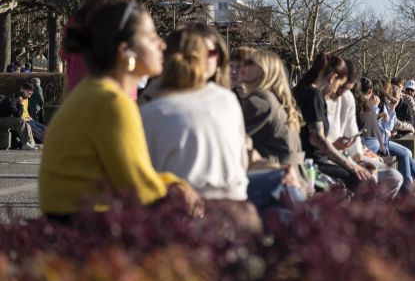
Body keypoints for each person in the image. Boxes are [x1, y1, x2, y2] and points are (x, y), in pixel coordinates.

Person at [38, 2, 203, 218]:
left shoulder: (93, 91)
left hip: (70, 217)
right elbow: (139, 187)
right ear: (126, 51)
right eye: (152, 37)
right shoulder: (112, 102)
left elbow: (131, 174)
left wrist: (171, 183)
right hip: (89, 224)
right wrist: (179, 188)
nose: (162, 45)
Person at [140, 24, 249, 202]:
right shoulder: (227, 100)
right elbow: (242, 164)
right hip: (231, 203)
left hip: (179, 208)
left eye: (212, 53)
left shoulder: (149, 110)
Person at [235, 48, 312, 207]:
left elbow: (230, 142)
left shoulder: (260, 103)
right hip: (295, 179)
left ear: (264, 71)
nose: (241, 66)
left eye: (249, 63)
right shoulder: (277, 101)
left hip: (276, 183)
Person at [292, 52, 372, 190]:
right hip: (312, 165)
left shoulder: (299, 91)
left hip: (302, 161)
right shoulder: (314, 95)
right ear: (333, 78)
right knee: (361, 181)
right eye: (339, 85)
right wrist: (351, 165)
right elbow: (318, 139)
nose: (336, 91)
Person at [327, 61, 402, 197]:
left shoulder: (348, 98)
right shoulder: (320, 99)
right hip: (332, 157)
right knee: (369, 178)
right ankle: (362, 215)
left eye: (346, 88)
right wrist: (354, 162)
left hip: (352, 153)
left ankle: (376, 213)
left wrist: (360, 158)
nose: (342, 92)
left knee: (395, 177)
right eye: (341, 86)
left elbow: (352, 132)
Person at [61, 0, 136, 97]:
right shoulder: (127, 20)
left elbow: (63, 53)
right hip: (117, 95)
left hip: (78, 95)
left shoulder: (79, 18)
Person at [358, 78, 415, 194]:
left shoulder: (382, 105)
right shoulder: (367, 106)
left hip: (382, 141)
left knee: (407, 152)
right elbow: (373, 130)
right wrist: (375, 111)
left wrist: (392, 109)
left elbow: (388, 127)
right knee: (404, 155)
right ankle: (413, 188)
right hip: (375, 145)